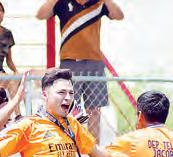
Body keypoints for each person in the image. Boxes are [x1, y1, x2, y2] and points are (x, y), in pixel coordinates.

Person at [36, 0, 124, 143]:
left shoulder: (98, 3)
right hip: (70, 62)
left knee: (94, 110)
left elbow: (119, 16)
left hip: (94, 63)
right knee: (67, 108)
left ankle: (93, 148)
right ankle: (70, 146)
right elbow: (41, 15)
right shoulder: (63, 3)